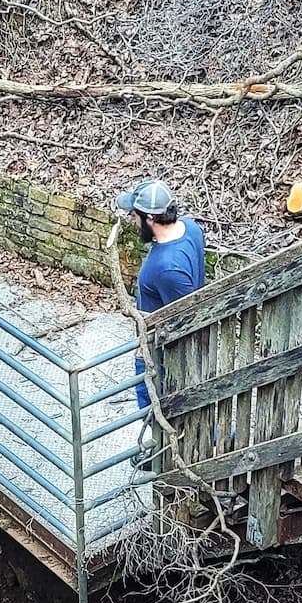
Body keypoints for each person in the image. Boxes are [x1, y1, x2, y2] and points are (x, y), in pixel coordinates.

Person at [114, 179, 205, 427]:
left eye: (135, 216)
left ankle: (154, 455)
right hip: (161, 345)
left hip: (160, 351)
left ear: (151, 218)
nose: (133, 221)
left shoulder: (167, 268)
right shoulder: (191, 228)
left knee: (158, 408)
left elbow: (185, 317)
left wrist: (145, 351)